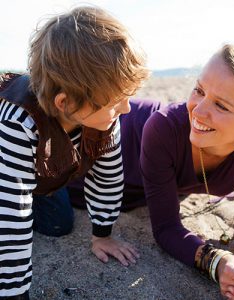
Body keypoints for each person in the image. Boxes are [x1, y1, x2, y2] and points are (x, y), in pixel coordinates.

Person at [0, 6, 148, 299]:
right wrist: (14, 292)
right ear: (66, 103)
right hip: (8, 169)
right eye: (117, 101)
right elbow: (12, 219)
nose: (126, 108)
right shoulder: (18, 122)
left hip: (43, 172)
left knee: (59, 225)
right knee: (13, 215)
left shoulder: (105, 120)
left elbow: (108, 178)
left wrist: (102, 234)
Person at [119, 44, 234, 299]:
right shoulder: (163, 129)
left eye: (221, 105)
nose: (197, 110)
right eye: (199, 90)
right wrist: (216, 262)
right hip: (106, 155)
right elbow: (165, 228)